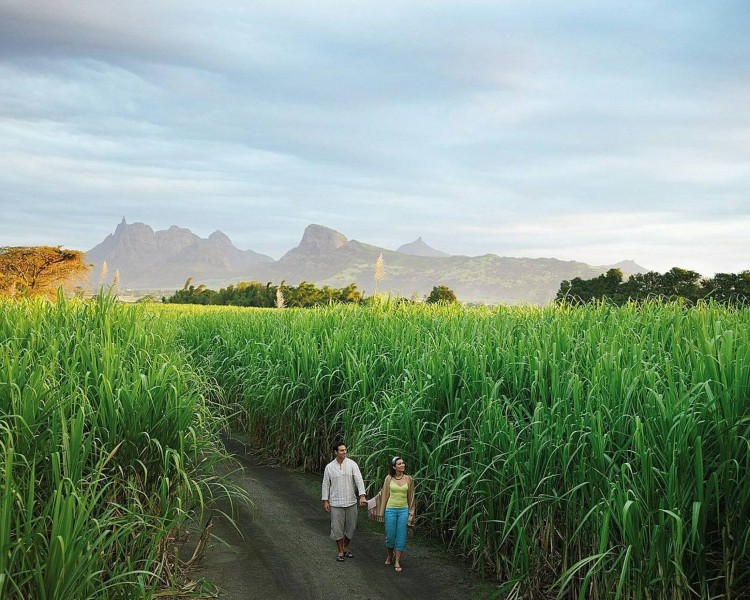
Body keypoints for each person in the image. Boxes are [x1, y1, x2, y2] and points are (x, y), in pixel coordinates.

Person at [322, 440, 367, 562]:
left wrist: (362, 495)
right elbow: (326, 484)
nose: (344, 452)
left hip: (351, 501)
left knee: (351, 527)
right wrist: (325, 500)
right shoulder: (329, 467)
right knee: (337, 528)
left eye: (345, 450)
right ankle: (340, 551)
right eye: (341, 450)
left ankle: (346, 546)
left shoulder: (352, 464)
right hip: (336, 502)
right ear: (336, 452)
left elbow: (359, 479)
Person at [369, 456, 416, 572]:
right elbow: (382, 494)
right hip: (390, 510)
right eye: (399, 464)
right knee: (390, 536)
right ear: (394, 467)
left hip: (403, 510)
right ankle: (390, 555)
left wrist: (411, 513)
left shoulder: (409, 479)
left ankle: (397, 561)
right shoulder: (388, 479)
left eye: (403, 463)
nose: (402, 465)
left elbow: (412, 498)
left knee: (401, 536)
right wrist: (370, 503)